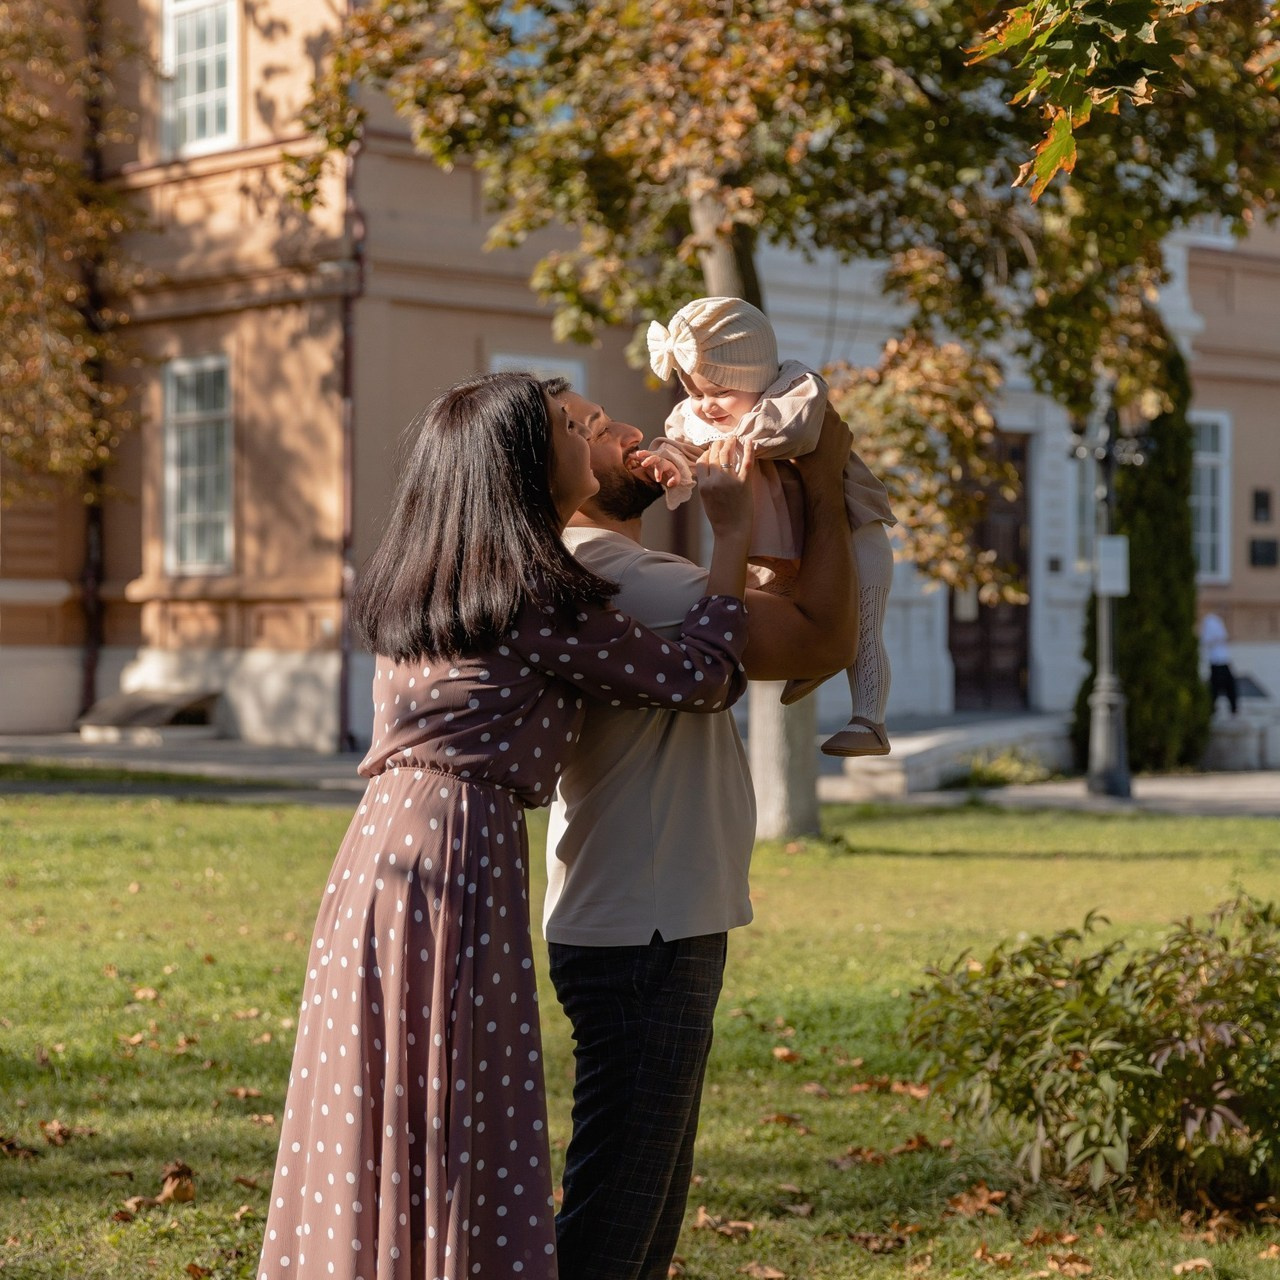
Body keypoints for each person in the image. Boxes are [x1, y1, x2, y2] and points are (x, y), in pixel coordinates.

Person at [257, 371, 758, 1280]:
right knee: (456, 1103)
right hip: (454, 857)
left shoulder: (443, 582)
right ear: (525, 464)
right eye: (571, 425)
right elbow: (705, 677)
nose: (590, 433)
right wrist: (731, 535)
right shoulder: (536, 596)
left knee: (397, 1103)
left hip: (384, 854)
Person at [543, 381, 858, 1280]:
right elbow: (821, 638)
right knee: (617, 1225)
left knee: (642, 1211)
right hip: (645, 924)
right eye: (591, 429)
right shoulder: (624, 576)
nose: (628, 430)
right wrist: (819, 476)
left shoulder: (625, 570)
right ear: (552, 468)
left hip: (645, 914)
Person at [647, 295, 897, 757]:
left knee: (865, 625)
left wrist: (729, 442)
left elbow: (792, 434)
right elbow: (682, 448)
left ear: (756, 377)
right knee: (783, 608)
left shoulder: (793, 393)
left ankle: (869, 721)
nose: (706, 407)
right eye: (695, 393)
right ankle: (815, 657)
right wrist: (666, 462)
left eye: (720, 391)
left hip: (855, 529)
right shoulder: (699, 419)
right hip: (789, 546)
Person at [1201, 609, 1239, 714]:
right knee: (1218, 686)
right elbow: (1207, 640)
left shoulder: (1219, 622)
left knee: (1223, 686)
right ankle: (1212, 708)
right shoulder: (1210, 621)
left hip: (1223, 659)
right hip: (1217, 661)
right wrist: (1220, 639)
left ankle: (1228, 708)